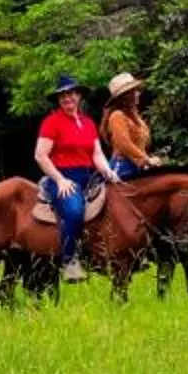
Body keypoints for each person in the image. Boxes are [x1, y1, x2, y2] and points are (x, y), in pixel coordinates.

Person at [34, 77, 122, 281]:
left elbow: (97, 154)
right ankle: (69, 260)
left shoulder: (89, 123)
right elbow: (40, 155)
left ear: (79, 96)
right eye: (62, 95)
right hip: (62, 176)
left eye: (71, 93)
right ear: (58, 100)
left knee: (118, 202)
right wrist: (59, 180)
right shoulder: (52, 122)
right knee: (74, 211)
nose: (67, 98)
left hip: (88, 176)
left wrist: (109, 172)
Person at [100, 74, 160, 171]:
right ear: (125, 96)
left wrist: (148, 160)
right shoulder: (117, 116)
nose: (138, 93)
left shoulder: (136, 117)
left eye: (137, 90)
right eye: (134, 91)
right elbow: (124, 144)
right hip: (123, 166)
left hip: (137, 165)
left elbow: (141, 145)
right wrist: (146, 160)